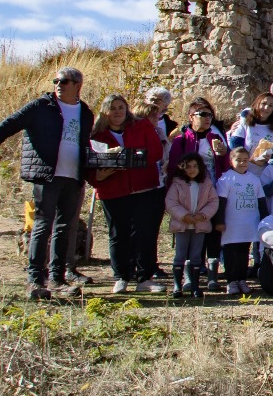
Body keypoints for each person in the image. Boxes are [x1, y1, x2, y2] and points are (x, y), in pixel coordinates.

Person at [88, 96, 165, 294]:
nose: (117, 111)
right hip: (113, 190)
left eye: (121, 107)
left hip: (144, 189)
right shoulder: (97, 134)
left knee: (145, 234)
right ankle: (121, 277)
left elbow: (156, 152)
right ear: (105, 111)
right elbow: (88, 162)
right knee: (118, 234)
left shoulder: (141, 126)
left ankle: (144, 278)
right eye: (112, 108)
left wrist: (128, 157)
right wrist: (97, 176)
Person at [164, 154, 218, 298]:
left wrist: (202, 216)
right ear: (182, 168)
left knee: (196, 256)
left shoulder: (206, 183)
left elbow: (213, 202)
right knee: (180, 255)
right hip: (182, 225)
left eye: (195, 166)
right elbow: (171, 203)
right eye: (188, 167)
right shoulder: (177, 184)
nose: (192, 170)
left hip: (199, 226)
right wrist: (184, 216)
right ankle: (177, 285)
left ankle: (195, 286)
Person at [214, 144, 264, 296]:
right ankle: (231, 281)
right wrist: (220, 221)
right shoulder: (226, 179)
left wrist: (264, 221)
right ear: (231, 161)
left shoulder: (254, 179)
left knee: (244, 252)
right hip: (231, 225)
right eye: (238, 160)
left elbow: (261, 201)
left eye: (245, 160)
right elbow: (221, 203)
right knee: (231, 253)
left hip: (249, 224)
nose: (242, 163)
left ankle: (242, 279)